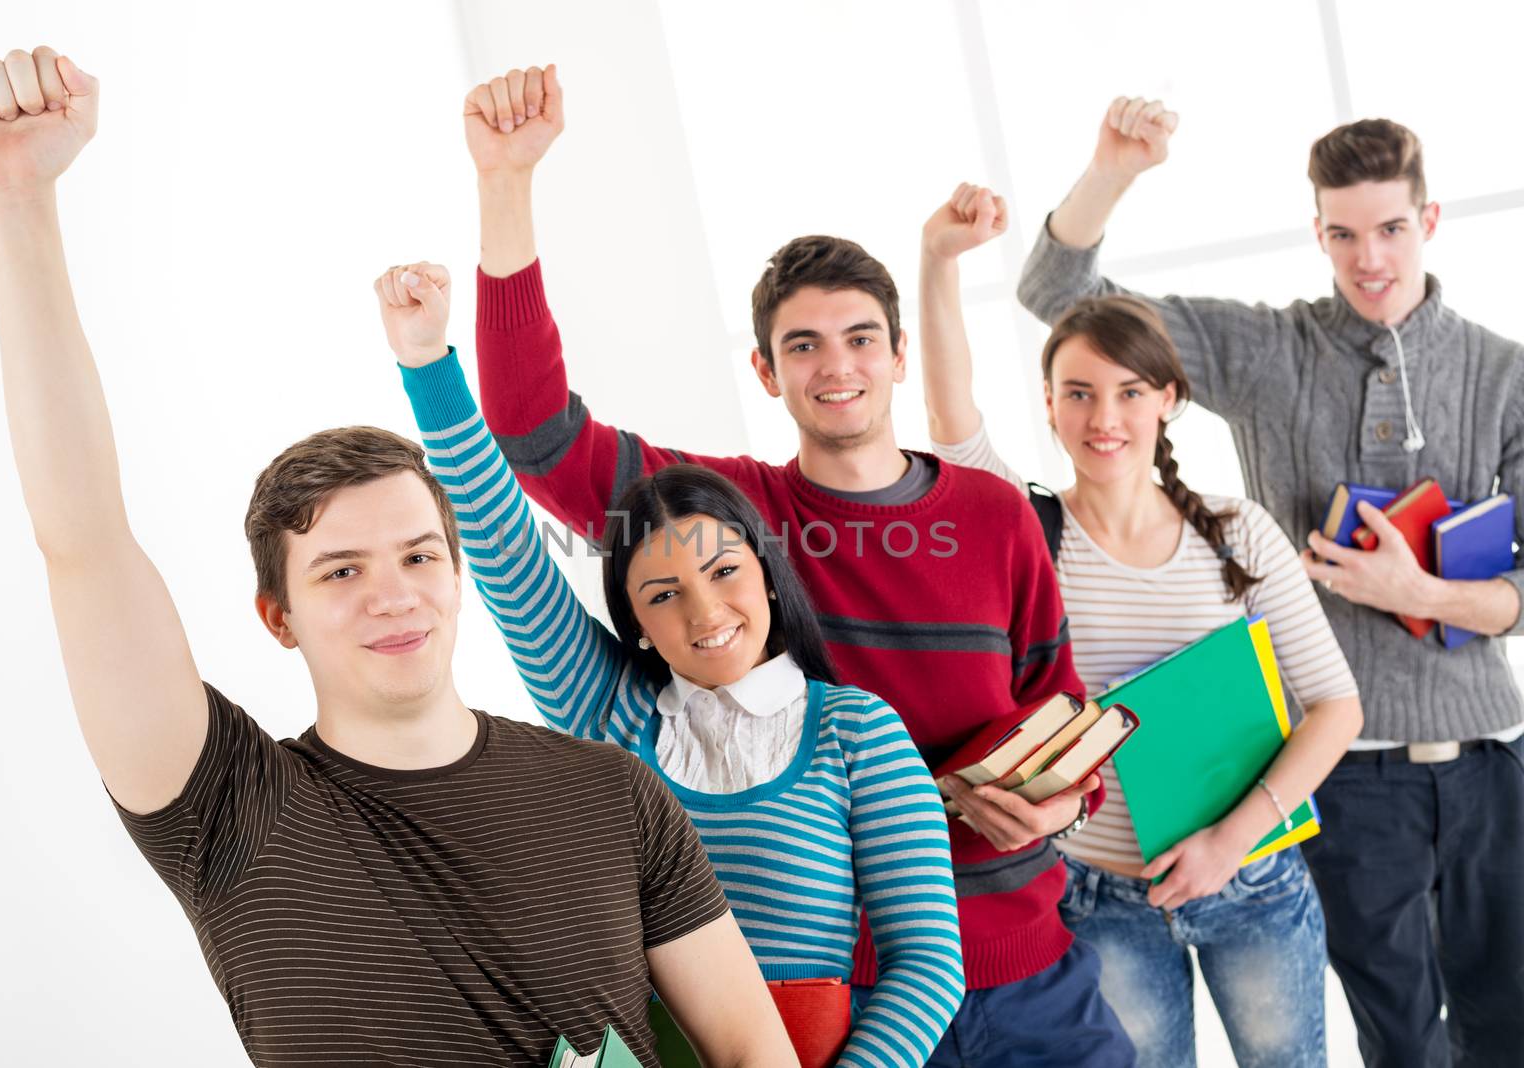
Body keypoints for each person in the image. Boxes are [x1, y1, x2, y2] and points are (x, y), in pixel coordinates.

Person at [0, 45, 795, 1068]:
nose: (393, 595)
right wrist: (16, 202)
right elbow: (81, 539)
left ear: (456, 573)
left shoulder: (613, 793)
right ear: (278, 614)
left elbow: (755, 1051)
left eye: (417, 556)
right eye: (340, 571)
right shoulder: (223, 805)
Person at [441, 64, 1137, 1066]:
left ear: (900, 354)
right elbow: (531, 432)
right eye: (802, 345)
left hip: (1028, 970)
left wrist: (1061, 801)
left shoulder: (996, 513)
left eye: (859, 338)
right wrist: (505, 186)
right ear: (765, 373)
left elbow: (1061, 712)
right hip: (855, 1001)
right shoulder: (725, 520)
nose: (836, 365)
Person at [1016, 96, 1524, 1068]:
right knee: (1401, 1044)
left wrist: (1423, 598)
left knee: (1507, 1026)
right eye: (1341, 234)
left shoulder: (1503, 373)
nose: (1367, 258)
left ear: (1429, 220)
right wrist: (1114, 169)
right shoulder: (1265, 351)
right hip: (1341, 767)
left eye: (1388, 228)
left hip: (1492, 758)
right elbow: (1056, 289)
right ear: (1316, 232)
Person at [373, 260, 964, 1068]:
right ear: (638, 625)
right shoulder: (611, 713)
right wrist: (424, 361)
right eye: (663, 594)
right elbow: (505, 545)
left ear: (767, 571)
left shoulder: (858, 733)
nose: (705, 613)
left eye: (724, 573)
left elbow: (928, 968)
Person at [917, 183, 1364, 1066]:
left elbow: (1336, 706)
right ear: (1048, 405)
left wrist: (1228, 845)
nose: (1103, 418)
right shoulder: (1027, 530)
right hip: (1101, 895)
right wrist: (937, 261)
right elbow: (948, 417)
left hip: (1251, 880)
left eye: (1128, 392)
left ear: (1167, 399)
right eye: (1077, 393)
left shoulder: (1237, 531)